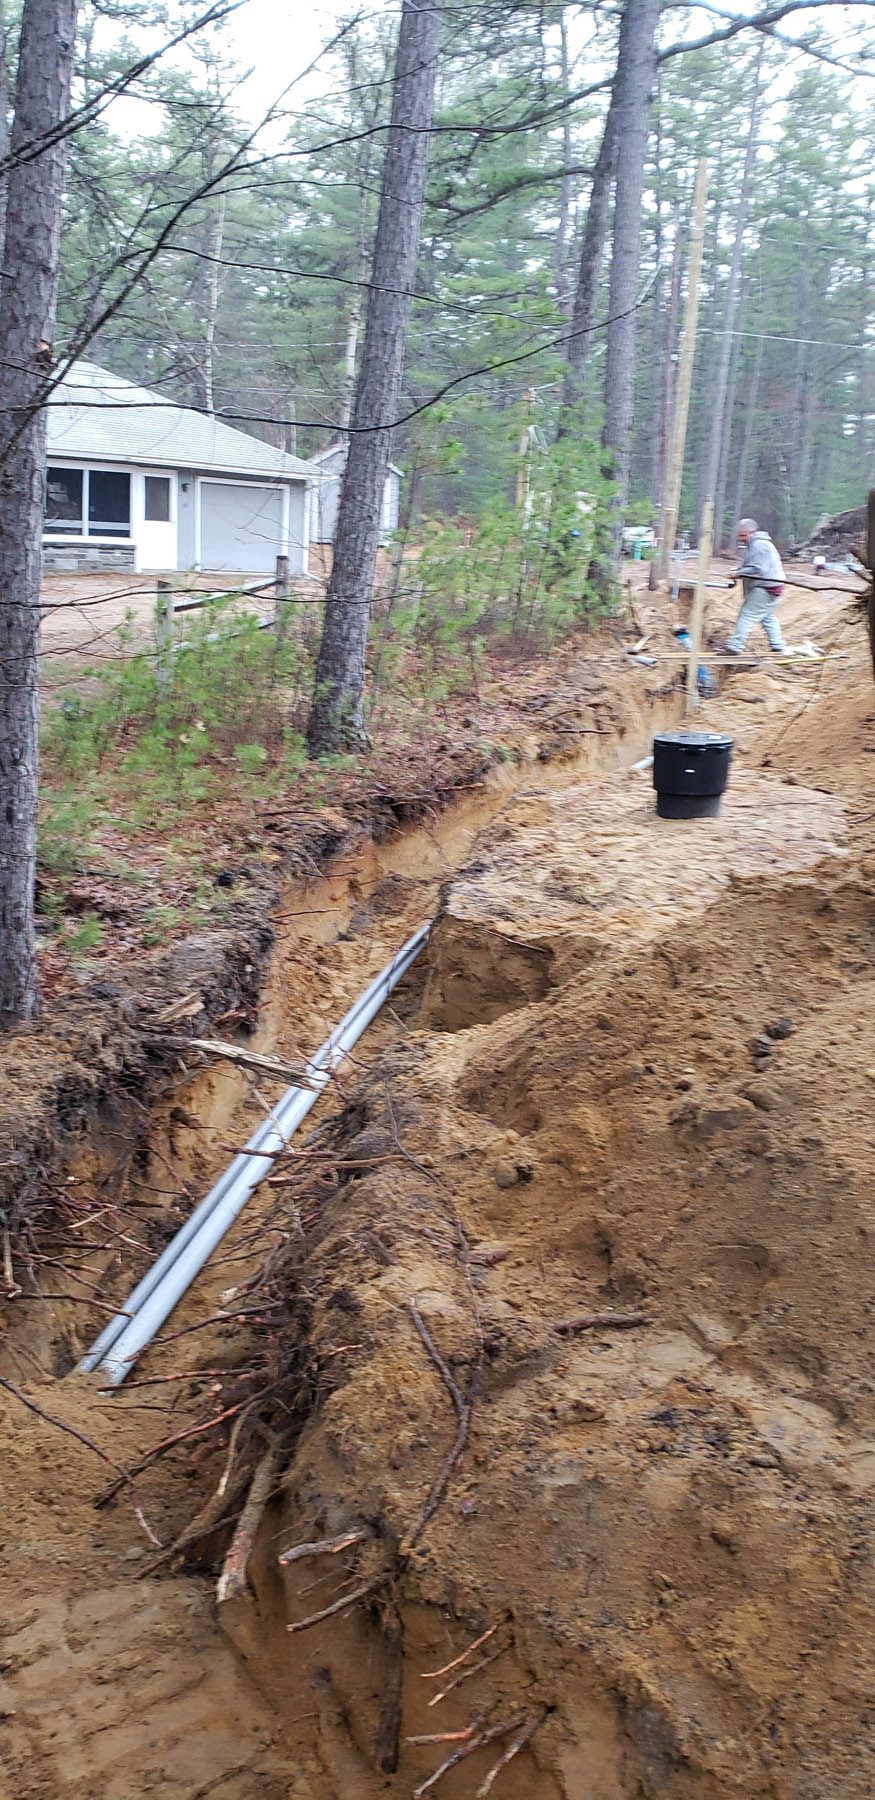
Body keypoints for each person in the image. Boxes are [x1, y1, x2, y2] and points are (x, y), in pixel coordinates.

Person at [726, 518, 786, 654]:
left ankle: (735, 647)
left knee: (746, 615)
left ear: (752, 532)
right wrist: (739, 571)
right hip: (772, 585)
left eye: (743, 535)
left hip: (765, 586)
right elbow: (753, 565)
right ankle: (777, 645)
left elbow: (758, 568)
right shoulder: (756, 545)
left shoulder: (759, 545)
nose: (740, 539)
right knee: (767, 616)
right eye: (739, 535)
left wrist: (738, 573)